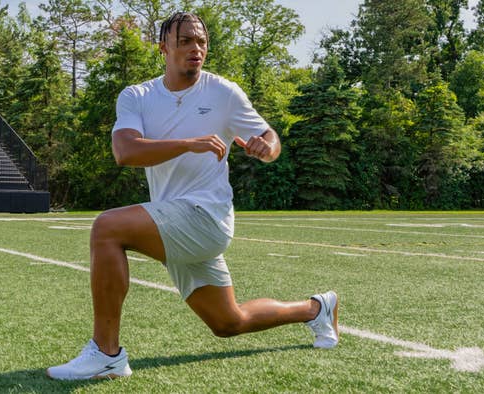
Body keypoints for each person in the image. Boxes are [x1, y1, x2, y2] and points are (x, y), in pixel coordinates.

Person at [46, 11, 339, 381]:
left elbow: (270, 136)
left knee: (108, 228)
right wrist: (188, 144)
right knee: (228, 321)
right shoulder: (137, 96)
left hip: (207, 217)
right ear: (163, 47)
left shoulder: (224, 92)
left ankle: (107, 354)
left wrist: (268, 147)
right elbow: (126, 152)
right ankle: (316, 309)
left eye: (201, 41)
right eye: (185, 41)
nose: (195, 48)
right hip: (171, 216)